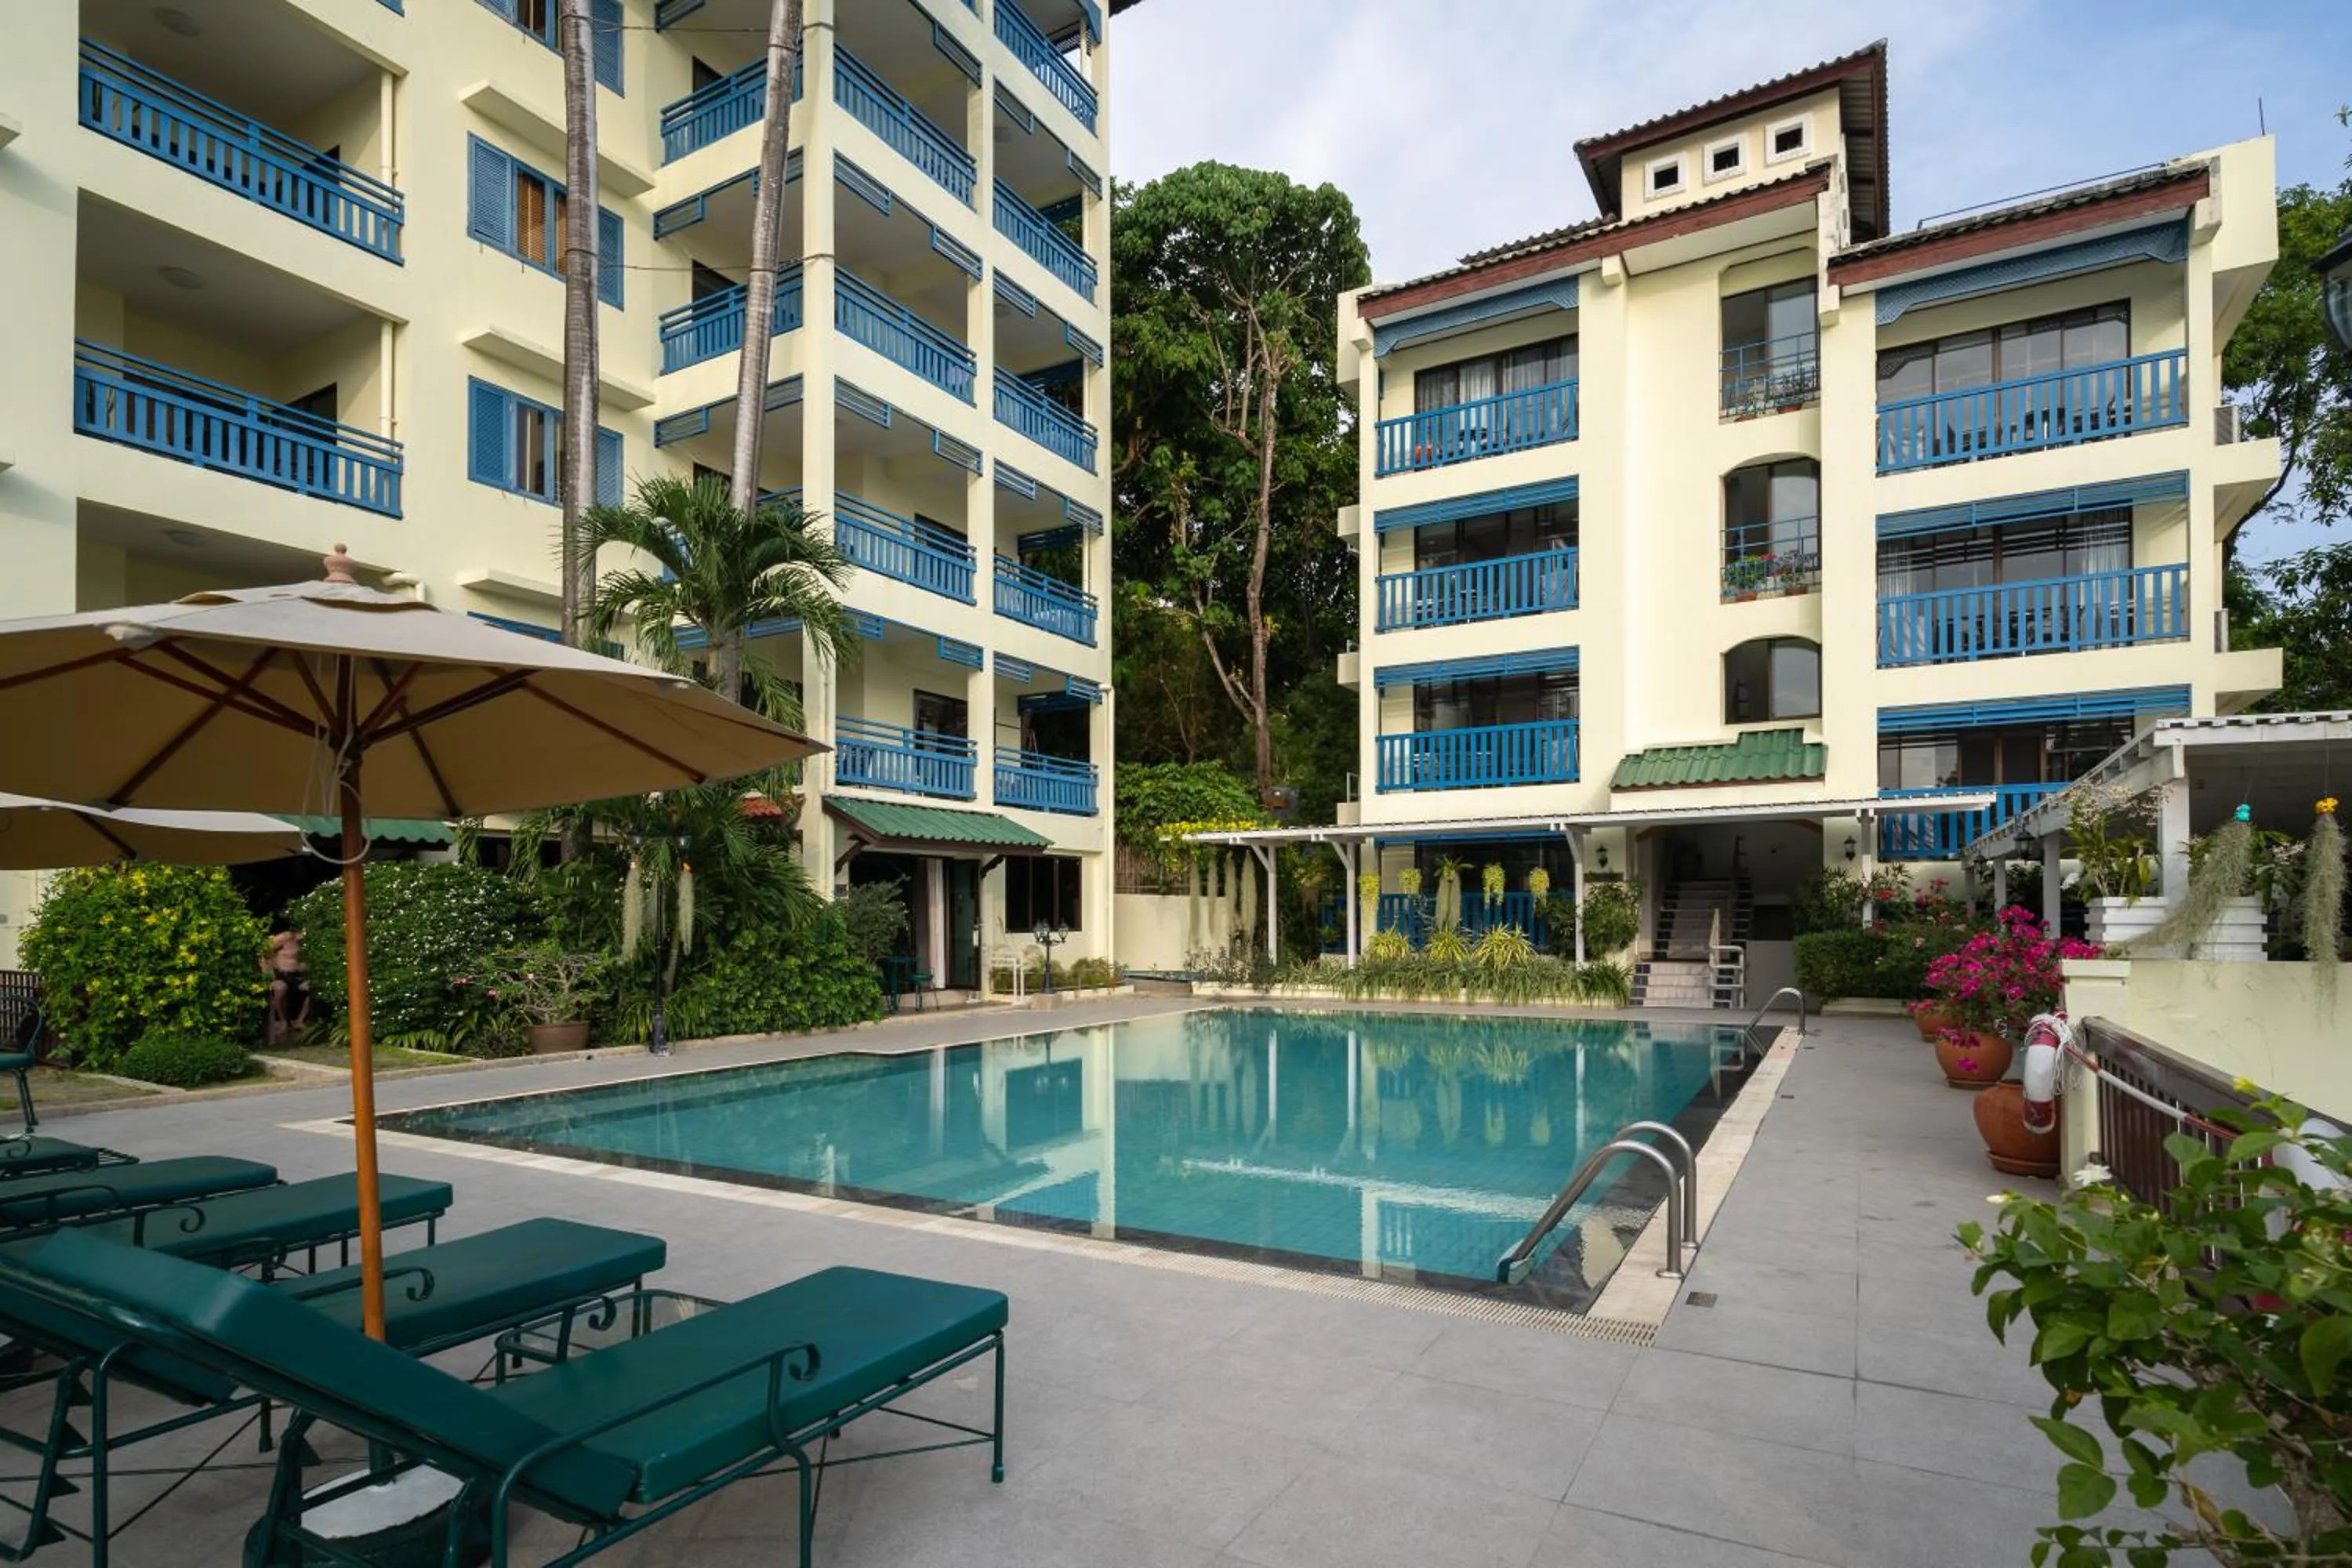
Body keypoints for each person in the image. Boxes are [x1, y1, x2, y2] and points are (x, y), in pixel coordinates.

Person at [263, 927, 314, 1046]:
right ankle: (282, 1020)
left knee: (314, 988)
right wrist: (268, 974)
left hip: (297, 976)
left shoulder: (304, 943)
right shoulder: (285, 937)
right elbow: (263, 952)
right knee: (280, 988)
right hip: (280, 974)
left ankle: (300, 1020)